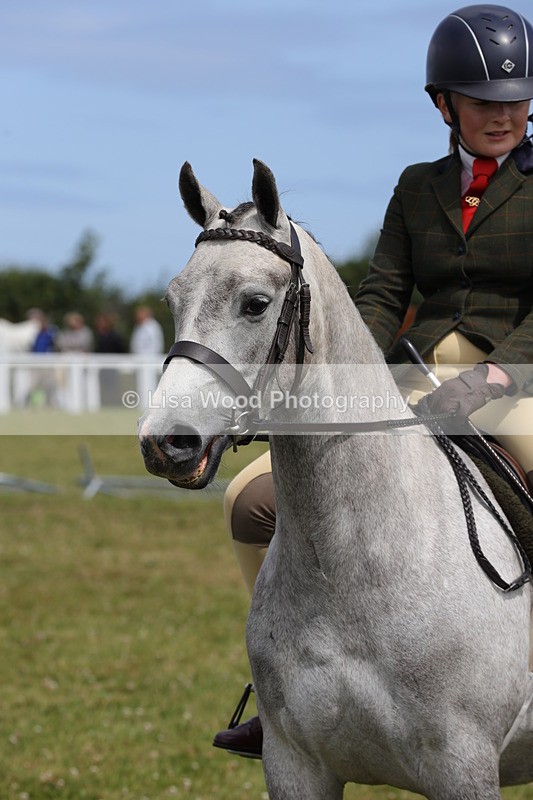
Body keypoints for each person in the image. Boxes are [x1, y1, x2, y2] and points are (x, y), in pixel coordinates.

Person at [212, 3, 533, 759]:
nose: (505, 114)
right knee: (250, 500)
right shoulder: (415, 187)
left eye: (517, 99)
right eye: (485, 101)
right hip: (413, 378)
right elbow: (383, 293)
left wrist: (494, 372)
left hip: (519, 377)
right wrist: (343, 375)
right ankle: (284, 686)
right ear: (443, 104)